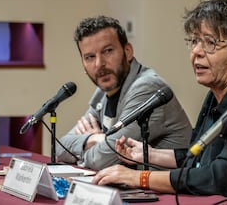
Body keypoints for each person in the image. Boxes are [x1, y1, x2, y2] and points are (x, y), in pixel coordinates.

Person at [92, 0, 227, 199]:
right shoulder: (216, 93)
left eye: (210, 43)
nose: (196, 52)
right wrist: (150, 155)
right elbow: (201, 156)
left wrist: (141, 178)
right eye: (195, 41)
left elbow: (222, 176)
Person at [56, 16, 192, 170]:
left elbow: (101, 159)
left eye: (107, 51)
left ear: (127, 52)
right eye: (90, 57)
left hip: (172, 190)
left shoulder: (147, 87)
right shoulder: (103, 92)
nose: (99, 64)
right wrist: (94, 139)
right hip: (133, 187)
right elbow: (60, 148)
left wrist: (96, 146)